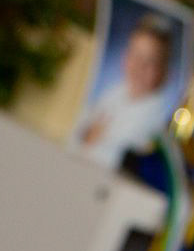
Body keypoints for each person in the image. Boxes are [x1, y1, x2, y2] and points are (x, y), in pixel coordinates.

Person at [73, 12, 176, 168]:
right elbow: (82, 128)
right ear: (126, 56)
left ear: (163, 71)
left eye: (150, 61)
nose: (139, 66)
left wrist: (93, 134)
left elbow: (113, 150)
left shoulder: (155, 112)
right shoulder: (116, 91)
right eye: (136, 55)